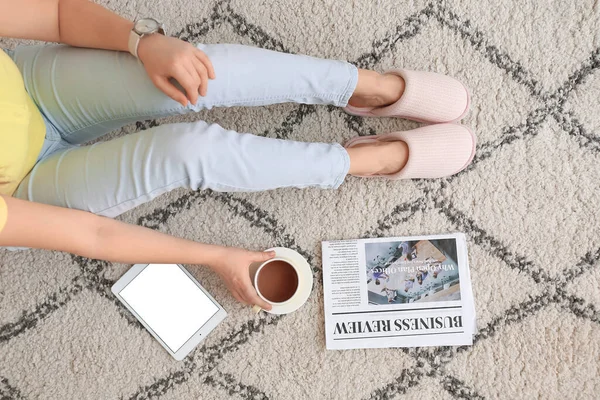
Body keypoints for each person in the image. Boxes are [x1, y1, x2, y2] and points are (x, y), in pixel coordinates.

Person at [0, 0, 475, 311]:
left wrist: (142, 40)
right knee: (189, 150)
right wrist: (216, 256)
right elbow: (94, 233)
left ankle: (369, 88)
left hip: (26, 84)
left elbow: (58, 14)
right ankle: (369, 161)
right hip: (28, 189)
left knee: (198, 73)